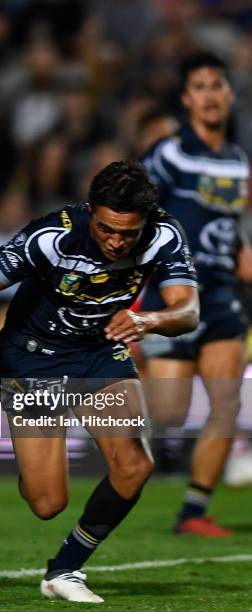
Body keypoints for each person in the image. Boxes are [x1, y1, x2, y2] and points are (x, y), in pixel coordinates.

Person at [0, 161, 200, 603]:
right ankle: (35, 462)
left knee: (135, 464)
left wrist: (149, 319)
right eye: (107, 229)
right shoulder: (52, 237)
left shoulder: (165, 234)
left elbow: (188, 311)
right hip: (32, 360)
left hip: (100, 353)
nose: (116, 241)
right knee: (47, 503)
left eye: (128, 233)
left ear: (146, 221)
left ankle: (64, 569)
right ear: (91, 212)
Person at [140, 51, 251, 536]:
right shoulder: (168, 154)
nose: (210, 94)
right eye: (200, 86)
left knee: (226, 403)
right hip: (174, 295)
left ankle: (194, 511)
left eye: (217, 84)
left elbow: (230, 223)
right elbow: (133, 211)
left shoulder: (239, 161)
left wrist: (243, 252)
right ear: (188, 99)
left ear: (228, 95)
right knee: (169, 414)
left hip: (222, 293)